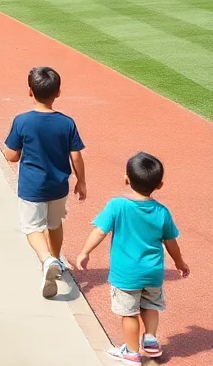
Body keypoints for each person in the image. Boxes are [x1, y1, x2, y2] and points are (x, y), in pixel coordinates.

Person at [76, 152, 189, 364]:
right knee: (151, 306)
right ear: (160, 185)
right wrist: (179, 263)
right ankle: (151, 337)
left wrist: (85, 252)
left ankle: (131, 351)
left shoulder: (117, 205)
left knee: (128, 313)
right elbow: (171, 242)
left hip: (125, 273)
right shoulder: (162, 212)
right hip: (153, 272)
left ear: (126, 179)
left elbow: (99, 232)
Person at [1, 66, 86, 299]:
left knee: (32, 228)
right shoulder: (67, 123)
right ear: (58, 92)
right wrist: (81, 182)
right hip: (59, 186)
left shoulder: (22, 121)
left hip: (32, 187)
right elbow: (76, 155)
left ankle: (46, 259)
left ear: (30, 91)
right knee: (54, 223)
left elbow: (11, 155)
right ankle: (56, 259)